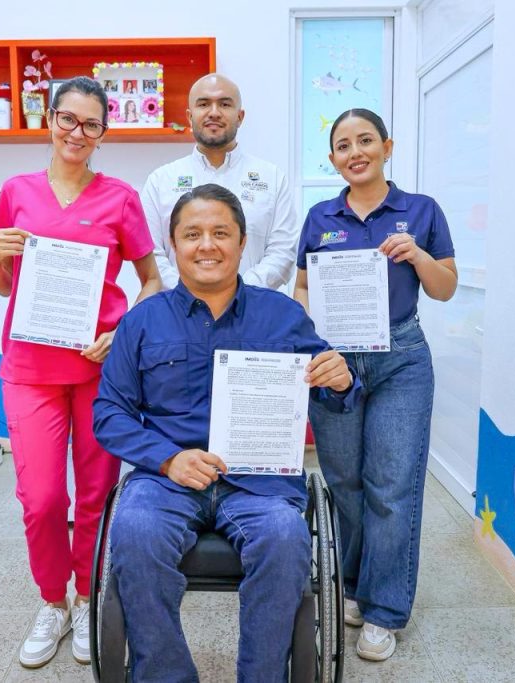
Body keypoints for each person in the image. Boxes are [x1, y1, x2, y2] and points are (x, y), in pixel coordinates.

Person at [93, 184, 361, 681]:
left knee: (285, 537)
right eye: (192, 234)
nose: (207, 245)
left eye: (220, 233)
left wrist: (340, 379)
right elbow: (110, 413)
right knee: (135, 530)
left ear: (242, 242)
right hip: (167, 478)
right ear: (173, 245)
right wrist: (169, 459)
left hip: (261, 482)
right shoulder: (142, 322)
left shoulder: (283, 315)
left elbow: (330, 392)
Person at [0, 75, 162, 669]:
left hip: (98, 372)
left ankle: (87, 598)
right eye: (68, 119)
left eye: (91, 124)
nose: (77, 133)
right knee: (41, 499)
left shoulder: (120, 198)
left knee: (95, 494)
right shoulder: (17, 191)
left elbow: (152, 280)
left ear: (103, 133)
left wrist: (123, 333)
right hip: (30, 369)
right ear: (50, 120)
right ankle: (51, 601)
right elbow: (3, 285)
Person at [294, 108, 457, 661]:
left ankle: (384, 610)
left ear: (387, 147)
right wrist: (309, 341)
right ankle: (353, 583)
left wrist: (418, 255)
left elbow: (445, 288)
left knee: (391, 483)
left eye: (365, 140)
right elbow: (302, 289)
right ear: (333, 158)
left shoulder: (421, 211)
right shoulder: (320, 216)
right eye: (343, 145)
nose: (355, 152)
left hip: (401, 359)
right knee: (344, 481)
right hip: (335, 360)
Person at [141, 73, 298, 290]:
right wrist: (188, 294)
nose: (214, 112)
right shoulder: (160, 181)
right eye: (204, 104)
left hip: (254, 305)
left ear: (240, 116)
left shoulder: (272, 179)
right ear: (189, 116)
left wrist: (238, 293)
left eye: (224, 104)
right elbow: (151, 254)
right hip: (178, 307)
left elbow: (283, 252)